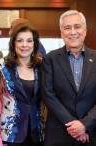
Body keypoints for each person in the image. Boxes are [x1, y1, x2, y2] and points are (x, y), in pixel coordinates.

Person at [41, 9, 96, 146]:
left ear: (85, 30)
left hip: (92, 133)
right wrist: (75, 127)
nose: (72, 32)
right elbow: (48, 94)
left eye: (77, 27)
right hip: (59, 133)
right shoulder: (50, 59)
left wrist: (85, 124)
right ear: (61, 32)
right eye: (67, 28)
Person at [0, 22, 45, 146]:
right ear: (13, 43)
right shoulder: (1, 66)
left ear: (34, 44)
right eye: (20, 40)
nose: (25, 45)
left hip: (37, 132)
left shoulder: (42, 65)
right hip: (10, 132)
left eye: (29, 41)